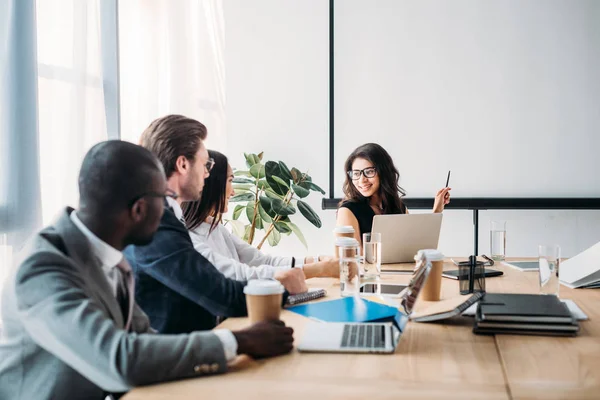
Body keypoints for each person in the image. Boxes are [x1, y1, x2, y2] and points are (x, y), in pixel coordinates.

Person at [0, 141, 294, 400]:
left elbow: (144, 339)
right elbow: (120, 358)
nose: (171, 211)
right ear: (139, 209)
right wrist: (239, 341)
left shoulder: (108, 256)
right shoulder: (42, 269)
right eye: (164, 199)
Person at [124, 115, 307, 334]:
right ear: (182, 164)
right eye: (205, 164)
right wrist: (284, 288)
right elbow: (220, 294)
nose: (208, 173)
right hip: (181, 356)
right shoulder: (156, 225)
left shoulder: (167, 218)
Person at [182, 150, 339, 281]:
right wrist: (319, 269)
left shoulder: (216, 228)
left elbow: (262, 261)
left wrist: (318, 260)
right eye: (230, 181)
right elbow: (242, 274)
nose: (234, 191)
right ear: (212, 184)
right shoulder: (189, 239)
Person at [336, 143, 451, 244]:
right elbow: (355, 258)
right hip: (369, 270)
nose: (361, 180)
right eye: (356, 173)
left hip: (400, 269)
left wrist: (437, 210)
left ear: (383, 172)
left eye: (369, 172)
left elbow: (416, 245)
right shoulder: (347, 210)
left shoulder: (398, 206)